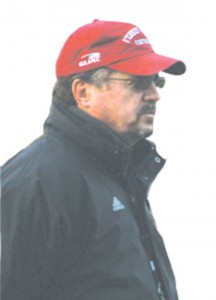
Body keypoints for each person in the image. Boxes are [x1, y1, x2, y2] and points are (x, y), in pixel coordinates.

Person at [1, 19, 186, 300]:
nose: (154, 95)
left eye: (156, 81)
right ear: (83, 93)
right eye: (137, 82)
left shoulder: (120, 172)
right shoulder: (36, 183)